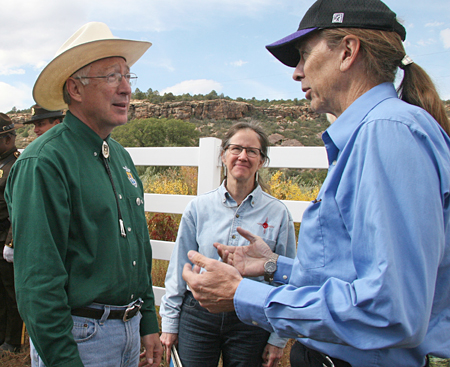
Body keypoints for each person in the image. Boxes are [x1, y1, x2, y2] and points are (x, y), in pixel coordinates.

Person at [181, 0, 450, 366]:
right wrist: (274, 265)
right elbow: (359, 274)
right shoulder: (379, 133)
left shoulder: (386, 133)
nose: (297, 72)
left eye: (304, 54)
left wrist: (244, 295)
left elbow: (391, 311)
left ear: (347, 51)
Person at [5, 22, 162, 367]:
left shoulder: (120, 157)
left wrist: (147, 320)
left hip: (128, 331)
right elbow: (38, 283)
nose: (126, 88)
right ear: (75, 88)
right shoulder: (44, 163)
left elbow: (138, 247)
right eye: (112, 77)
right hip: (80, 340)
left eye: (128, 76)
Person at [160, 122, 296, 367]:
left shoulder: (278, 213)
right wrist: (170, 324)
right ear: (223, 155)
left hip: (251, 317)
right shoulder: (198, 208)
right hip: (198, 314)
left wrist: (278, 339)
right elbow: (179, 267)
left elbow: (286, 278)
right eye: (236, 149)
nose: (243, 156)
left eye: (252, 151)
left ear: (262, 160)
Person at [0, 113, 22, 354]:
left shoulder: (16, 164)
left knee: (12, 291)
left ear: (8, 139)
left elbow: (18, 207)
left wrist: (12, 242)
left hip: (7, 236)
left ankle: (13, 341)